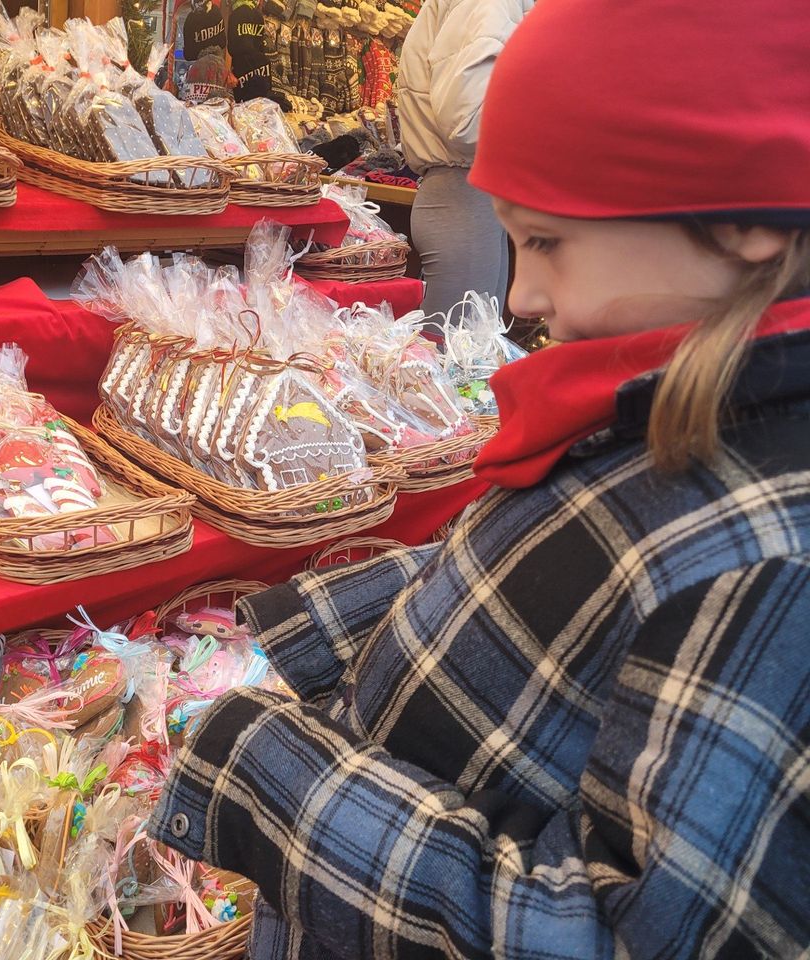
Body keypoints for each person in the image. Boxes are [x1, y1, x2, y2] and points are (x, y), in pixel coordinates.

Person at [149, 0, 810, 957]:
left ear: (744, 216)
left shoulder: (766, 558)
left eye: (545, 241)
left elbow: (619, 936)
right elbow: (523, 577)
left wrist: (265, 768)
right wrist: (282, 637)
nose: (519, 295)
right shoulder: (665, 403)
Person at [395, 0, 532, 319]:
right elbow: (467, 120)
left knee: (469, 349)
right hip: (463, 197)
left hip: (467, 196)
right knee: (456, 355)